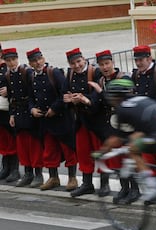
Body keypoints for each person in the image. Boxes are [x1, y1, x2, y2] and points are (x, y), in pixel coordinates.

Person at [92, 78, 156, 217]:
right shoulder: (141, 99)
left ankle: (151, 186)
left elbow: (116, 139)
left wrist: (101, 152)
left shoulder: (122, 109)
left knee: (133, 149)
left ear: (115, 97)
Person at [26, 48, 78, 190]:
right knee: (49, 151)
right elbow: (30, 97)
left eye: (39, 59)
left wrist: (54, 108)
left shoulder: (54, 73)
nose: (37, 63)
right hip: (45, 121)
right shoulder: (31, 77)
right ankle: (53, 177)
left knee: (68, 150)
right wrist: (32, 109)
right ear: (30, 63)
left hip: (61, 119)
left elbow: (65, 93)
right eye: (34, 61)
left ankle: (72, 178)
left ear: (43, 58)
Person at [92, 49, 138, 203]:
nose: (105, 67)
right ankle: (124, 187)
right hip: (110, 124)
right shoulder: (101, 81)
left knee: (128, 156)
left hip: (125, 123)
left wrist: (101, 93)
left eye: (107, 63)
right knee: (117, 158)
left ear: (113, 63)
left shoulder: (123, 78)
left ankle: (135, 189)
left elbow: (123, 100)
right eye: (102, 65)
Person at [130, 45, 156, 186]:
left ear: (149, 58)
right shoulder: (136, 74)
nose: (138, 63)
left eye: (141, 60)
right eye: (136, 60)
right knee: (148, 157)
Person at [62, 48, 103, 197]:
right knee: (83, 152)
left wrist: (85, 99)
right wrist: (67, 100)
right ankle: (87, 183)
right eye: (73, 63)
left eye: (78, 61)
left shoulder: (95, 72)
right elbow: (65, 92)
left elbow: (100, 95)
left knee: (101, 151)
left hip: (96, 120)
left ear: (83, 59)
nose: (77, 65)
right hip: (80, 120)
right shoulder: (70, 74)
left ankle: (104, 184)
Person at [2, 47, 44, 186]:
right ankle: (27, 173)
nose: (11, 63)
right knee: (22, 145)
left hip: (29, 111)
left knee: (34, 145)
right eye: (8, 60)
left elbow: (35, 91)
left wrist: (34, 108)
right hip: (18, 112)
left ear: (17, 58)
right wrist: (12, 115)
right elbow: (11, 98)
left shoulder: (27, 72)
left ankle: (38, 174)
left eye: (13, 59)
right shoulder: (8, 75)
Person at [0, 44, 20, 182]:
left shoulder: (7, 67)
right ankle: (5, 166)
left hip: (8, 108)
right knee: (2, 139)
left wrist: (9, 90)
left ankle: (14, 169)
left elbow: (21, 85)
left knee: (12, 138)